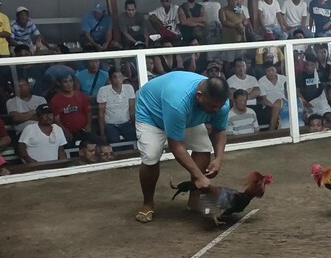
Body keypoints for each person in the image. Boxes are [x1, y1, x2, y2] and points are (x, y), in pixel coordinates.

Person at [134, 72, 231, 223]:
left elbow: (219, 130)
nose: (217, 110)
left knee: (203, 147)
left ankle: (193, 201)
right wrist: (200, 176)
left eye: (220, 106)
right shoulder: (178, 102)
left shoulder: (220, 103)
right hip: (152, 113)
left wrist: (218, 159)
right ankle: (148, 203)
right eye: (213, 106)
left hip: (187, 115)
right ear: (199, 96)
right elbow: (176, 145)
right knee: (151, 156)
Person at [50, 73, 93, 146]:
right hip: (66, 132)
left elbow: (88, 112)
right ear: (60, 84)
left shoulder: (81, 96)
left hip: (83, 130)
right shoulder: (55, 100)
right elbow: (57, 119)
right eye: (65, 82)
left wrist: (88, 125)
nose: (69, 84)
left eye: (70, 81)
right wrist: (65, 131)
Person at [97, 68, 137, 143]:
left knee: (135, 137)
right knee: (114, 141)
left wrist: (136, 126)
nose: (118, 79)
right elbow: (101, 114)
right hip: (110, 125)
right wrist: (102, 134)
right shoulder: (103, 90)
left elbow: (132, 111)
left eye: (120, 77)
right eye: (115, 77)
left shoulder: (129, 88)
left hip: (126, 123)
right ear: (110, 79)